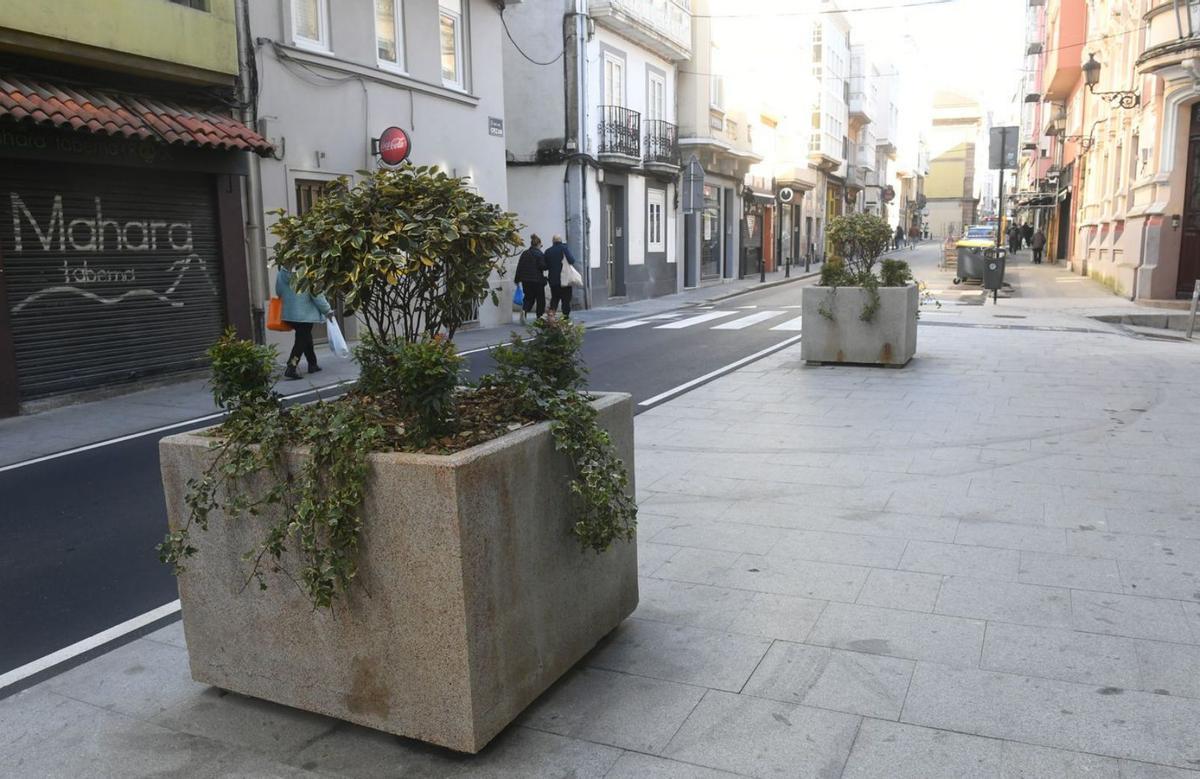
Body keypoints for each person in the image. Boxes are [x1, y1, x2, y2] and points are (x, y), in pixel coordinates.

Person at [276, 266, 332, 380]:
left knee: (305, 337)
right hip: (305, 314)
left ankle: (312, 364)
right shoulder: (308, 273)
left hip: (289, 313)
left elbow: (278, 291)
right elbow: (317, 295)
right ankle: (291, 366)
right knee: (300, 342)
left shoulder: (281, 273)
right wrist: (327, 310)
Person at [543, 234, 578, 318]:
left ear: (553, 241)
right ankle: (565, 318)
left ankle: (551, 317)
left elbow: (545, 266)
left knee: (554, 299)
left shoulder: (548, 251)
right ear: (561, 241)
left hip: (553, 280)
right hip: (565, 280)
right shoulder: (564, 249)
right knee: (566, 300)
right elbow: (572, 260)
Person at [514, 234, 547, 322]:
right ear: (538, 244)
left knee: (528, 298)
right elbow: (543, 266)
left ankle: (524, 311)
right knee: (540, 299)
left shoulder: (525, 253)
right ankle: (539, 317)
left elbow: (519, 267)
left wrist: (517, 279)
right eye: (541, 245)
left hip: (526, 281)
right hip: (537, 281)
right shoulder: (539, 254)